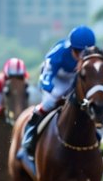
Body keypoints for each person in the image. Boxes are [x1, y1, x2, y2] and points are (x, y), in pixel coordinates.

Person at [18, 26, 97, 161]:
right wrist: (51, 89)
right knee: (49, 102)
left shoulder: (92, 55)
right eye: (78, 52)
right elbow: (47, 76)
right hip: (57, 79)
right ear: (71, 48)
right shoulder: (59, 53)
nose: (81, 56)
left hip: (75, 79)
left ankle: (96, 138)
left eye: (85, 52)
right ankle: (29, 137)